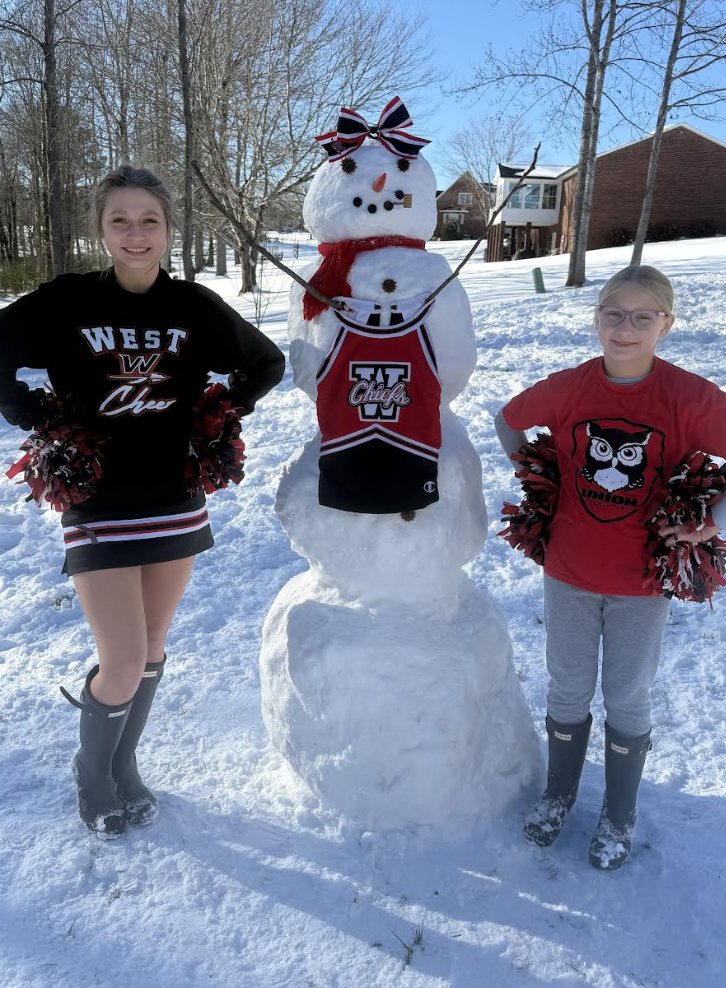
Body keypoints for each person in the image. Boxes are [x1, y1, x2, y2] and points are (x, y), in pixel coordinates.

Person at [0, 165, 285, 839]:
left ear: (167, 230)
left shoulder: (192, 307)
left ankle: (124, 766)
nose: (135, 234)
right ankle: (89, 770)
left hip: (173, 500)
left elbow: (265, 363)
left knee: (153, 646)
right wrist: (37, 417)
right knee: (123, 659)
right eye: (120, 221)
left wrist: (217, 416)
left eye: (148, 221)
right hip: (97, 501)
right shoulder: (67, 302)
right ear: (101, 229)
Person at [495, 265, 726, 869]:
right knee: (567, 686)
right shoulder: (571, 386)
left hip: (641, 585)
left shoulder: (688, 397)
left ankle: (618, 815)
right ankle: (558, 794)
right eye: (613, 314)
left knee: (627, 693)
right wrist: (537, 474)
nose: (625, 328)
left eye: (642, 316)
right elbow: (510, 419)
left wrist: (711, 521)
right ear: (596, 319)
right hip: (568, 573)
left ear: (666, 325)